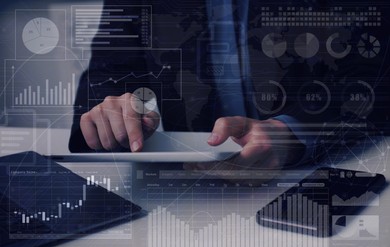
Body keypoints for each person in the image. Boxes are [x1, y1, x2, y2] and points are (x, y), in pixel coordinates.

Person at [69, 0, 387, 170]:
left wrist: (293, 130)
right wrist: (117, 114)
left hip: (320, 171)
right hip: (197, 192)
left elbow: (376, 69)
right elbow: (106, 78)